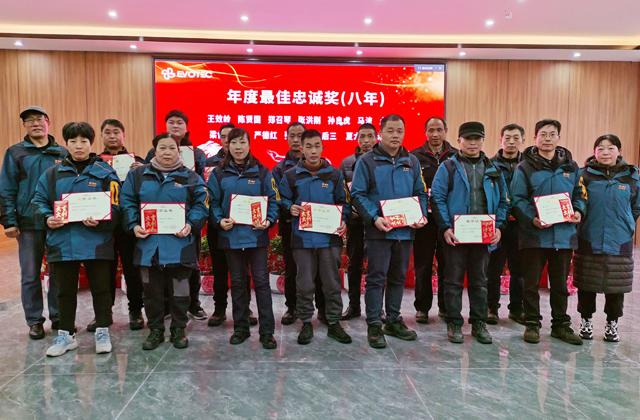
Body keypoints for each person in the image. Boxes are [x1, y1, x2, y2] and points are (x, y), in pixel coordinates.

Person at [32, 122, 121, 356]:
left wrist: (102, 221)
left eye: (84, 141)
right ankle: (65, 336)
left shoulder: (106, 173)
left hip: (97, 241)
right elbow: (38, 201)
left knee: (101, 289)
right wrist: (47, 218)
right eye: (73, 141)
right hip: (63, 242)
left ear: (91, 144)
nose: (78, 146)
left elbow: (117, 206)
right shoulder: (52, 174)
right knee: (64, 291)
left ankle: (102, 331)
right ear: (66, 144)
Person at [121, 132, 209, 350]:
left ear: (178, 151)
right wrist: (134, 225)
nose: (167, 152)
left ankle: (179, 329)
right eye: (162, 147)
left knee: (180, 292)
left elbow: (202, 205)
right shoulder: (137, 175)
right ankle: (156, 330)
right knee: (151, 293)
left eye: (172, 148)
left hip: (180, 245)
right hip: (148, 246)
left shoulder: (191, 177)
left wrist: (190, 224)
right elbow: (127, 202)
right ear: (154, 150)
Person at [351, 114, 428, 349]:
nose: (395, 135)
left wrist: (420, 215)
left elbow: (421, 192)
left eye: (399, 131)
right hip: (379, 232)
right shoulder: (366, 161)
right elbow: (357, 194)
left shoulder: (412, 161)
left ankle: (393, 320)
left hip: (405, 232)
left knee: (398, 277)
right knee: (376, 279)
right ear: (381, 133)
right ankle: (374, 324)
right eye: (390, 131)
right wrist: (375, 218)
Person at [431, 122, 508, 344]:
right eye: (468, 139)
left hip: (483, 236)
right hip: (456, 235)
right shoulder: (448, 167)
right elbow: (437, 198)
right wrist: (446, 227)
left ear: (483, 141)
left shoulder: (494, 169)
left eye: (477, 138)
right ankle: (454, 323)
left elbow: (504, 201)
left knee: (480, 281)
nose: (472, 143)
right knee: (453, 281)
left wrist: (498, 226)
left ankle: (479, 323)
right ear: (459, 141)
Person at [511, 119, 587, 345]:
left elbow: (580, 195)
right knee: (531, 284)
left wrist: (578, 211)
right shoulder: (524, 167)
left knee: (560, 284)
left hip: (563, 237)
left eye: (552, 134)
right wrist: (532, 219)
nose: (547, 139)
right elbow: (517, 199)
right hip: (534, 236)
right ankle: (532, 323)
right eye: (543, 134)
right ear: (535, 138)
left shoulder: (571, 167)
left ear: (558, 138)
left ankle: (560, 325)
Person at [279, 129, 352, 344]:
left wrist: (343, 220)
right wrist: (289, 207)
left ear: (323, 147)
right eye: (308, 146)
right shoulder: (290, 176)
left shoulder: (335, 174)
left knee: (332, 284)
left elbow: (345, 203)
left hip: (329, 239)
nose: (313, 150)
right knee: (304, 284)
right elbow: (280, 199)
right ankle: (305, 323)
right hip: (302, 239)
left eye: (317, 146)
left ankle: (334, 322)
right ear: (301, 148)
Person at [208, 128, 278, 349]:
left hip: (256, 236)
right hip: (231, 236)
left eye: (242, 142)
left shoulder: (262, 171)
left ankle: (267, 332)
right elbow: (212, 202)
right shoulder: (218, 173)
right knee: (238, 283)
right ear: (227, 145)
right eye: (234, 143)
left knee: (262, 283)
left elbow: (273, 200)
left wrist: (268, 220)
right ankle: (241, 329)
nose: (238, 147)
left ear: (249, 144)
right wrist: (219, 220)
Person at [0, 106, 66, 340]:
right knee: (30, 274)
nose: (35, 123)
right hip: (28, 223)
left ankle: (59, 316)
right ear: (25, 126)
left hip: (58, 222)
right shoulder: (15, 153)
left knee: (58, 273)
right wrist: (9, 221)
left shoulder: (62, 152)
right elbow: (6, 188)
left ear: (48, 122)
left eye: (39, 119)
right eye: (30, 120)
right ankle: (35, 321)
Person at [574, 134, 640, 342]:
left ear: (619, 151)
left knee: (616, 285)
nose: (605, 152)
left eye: (611, 148)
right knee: (586, 283)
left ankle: (612, 323)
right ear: (594, 152)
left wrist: (627, 225)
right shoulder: (583, 175)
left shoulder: (632, 176)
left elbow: (636, 206)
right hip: (589, 237)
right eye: (600, 148)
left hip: (620, 240)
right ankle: (586, 321)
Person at [144, 110, 208, 321]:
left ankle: (193, 304)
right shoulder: (151, 154)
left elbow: (202, 187)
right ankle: (165, 307)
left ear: (186, 127)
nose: (175, 126)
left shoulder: (198, 153)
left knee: (189, 265)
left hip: (185, 224)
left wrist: (191, 222)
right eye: (171, 122)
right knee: (158, 268)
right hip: (156, 226)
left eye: (179, 122)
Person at [93, 119, 146, 331]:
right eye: (107, 132)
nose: (112, 136)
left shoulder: (138, 162)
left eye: (116, 132)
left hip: (129, 224)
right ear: (102, 137)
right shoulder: (94, 163)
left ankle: (136, 310)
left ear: (123, 135)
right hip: (103, 225)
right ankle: (104, 313)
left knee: (133, 270)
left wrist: (143, 171)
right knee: (104, 271)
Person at [272, 122, 325, 325]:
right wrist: (289, 208)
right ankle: (292, 307)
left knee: (320, 269)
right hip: (291, 228)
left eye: (299, 135)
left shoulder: (323, 166)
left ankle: (322, 308)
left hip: (319, 227)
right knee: (292, 268)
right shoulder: (279, 169)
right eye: (291, 136)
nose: (295, 139)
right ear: (286, 138)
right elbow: (277, 198)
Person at [205, 123, 257, 327]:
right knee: (219, 270)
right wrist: (218, 220)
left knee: (242, 271)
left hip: (243, 227)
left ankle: (246, 308)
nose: (229, 142)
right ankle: (219, 309)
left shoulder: (253, 167)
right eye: (225, 138)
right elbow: (209, 197)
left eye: (234, 138)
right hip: (218, 227)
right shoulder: (210, 164)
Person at [410, 116, 456, 323]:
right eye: (431, 130)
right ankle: (422, 307)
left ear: (445, 131)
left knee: (448, 264)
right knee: (423, 264)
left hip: (448, 220)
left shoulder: (456, 157)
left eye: (439, 130)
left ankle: (445, 307)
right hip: (424, 221)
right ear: (425, 132)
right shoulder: (414, 157)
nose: (435, 134)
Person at [486, 124, 526, 325]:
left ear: (523, 141)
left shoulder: (528, 165)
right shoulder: (490, 165)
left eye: (516, 138)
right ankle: (491, 308)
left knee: (519, 271)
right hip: (497, 225)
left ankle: (517, 309)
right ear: (500, 140)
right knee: (493, 269)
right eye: (507, 138)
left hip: (521, 225)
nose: (511, 142)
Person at [339, 123, 376, 320]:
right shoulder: (346, 163)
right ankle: (353, 306)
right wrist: (348, 210)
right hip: (354, 223)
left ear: (376, 138)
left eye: (370, 136)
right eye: (362, 136)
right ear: (357, 139)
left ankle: (377, 308)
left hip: (376, 223)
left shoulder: (382, 162)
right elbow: (341, 192)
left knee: (377, 266)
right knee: (354, 265)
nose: (366, 141)